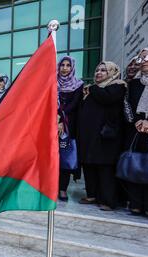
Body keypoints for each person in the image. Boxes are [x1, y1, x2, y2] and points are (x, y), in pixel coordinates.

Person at [78, 61, 127, 211]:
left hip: (105, 136)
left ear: (112, 72)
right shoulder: (92, 90)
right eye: (97, 70)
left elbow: (107, 98)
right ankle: (92, 194)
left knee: (104, 168)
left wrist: (92, 88)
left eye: (104, 70)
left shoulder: (117, 86)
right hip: (89, 136)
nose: (99, 73)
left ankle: (107, 200)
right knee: (89, 165)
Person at [125, 47, 148, 221]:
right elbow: (130, 104)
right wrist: (138, 120)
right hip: (138, 129)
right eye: (140, 58)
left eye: (147, 58)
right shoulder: (135, 83)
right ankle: (136, 204)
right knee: (138, 165)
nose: (143, 62)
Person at [57, 56, 84, 202]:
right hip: (51, 125)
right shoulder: (51, 82)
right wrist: (55, 119)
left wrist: (61, 120)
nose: (65, 68)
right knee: (51, 158)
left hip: (69, 126)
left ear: (72, 67)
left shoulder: (78, 84)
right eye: (62, 65)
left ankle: (62, 189)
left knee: (65, 158)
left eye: (68, 65)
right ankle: (50, 187)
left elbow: (74, 104)